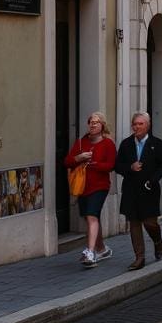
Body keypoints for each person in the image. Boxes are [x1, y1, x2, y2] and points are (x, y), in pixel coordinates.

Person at [115, 111, 162, 270]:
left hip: (149, 188)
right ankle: (139, 257)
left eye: (140, 124)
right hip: (131, 188)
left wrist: (153, 180)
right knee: (134, 222)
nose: (137, 127)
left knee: (149, 223)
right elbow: (117, 166)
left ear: (148, 125)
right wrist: (130, 167)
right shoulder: (126, 144)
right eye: (135, 124)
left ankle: (157, 241)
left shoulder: (157, 143)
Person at [64, 112, 117, 267]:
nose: (93, 125)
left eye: (96, 122)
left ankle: (90, 252)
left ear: (102, 125)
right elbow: (67, 162)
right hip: (82, 186)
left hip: (100, 186)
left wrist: (94, 164)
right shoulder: (81, 142)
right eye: (91, 122)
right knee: (91, 217)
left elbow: (112, 165)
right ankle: (102, 248)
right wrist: (78, 159)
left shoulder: (108, 144)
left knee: (91, 216)